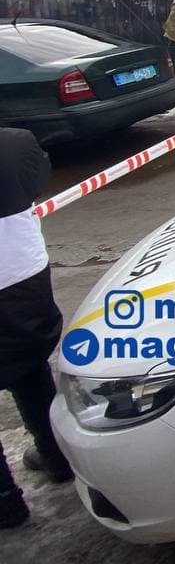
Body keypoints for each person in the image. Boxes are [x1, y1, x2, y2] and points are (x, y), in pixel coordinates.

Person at [0, 128, 73, 528]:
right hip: (26, 284)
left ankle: (6, 503)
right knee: (30, 371)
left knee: (29, 372)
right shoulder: (18, 143)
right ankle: (58, 455)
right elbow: (36, 181)